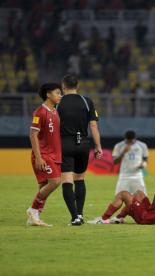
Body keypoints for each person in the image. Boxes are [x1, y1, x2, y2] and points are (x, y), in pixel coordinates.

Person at [57, 74, 103, 226]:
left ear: (63, 87)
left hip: (65, 142)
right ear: (77, 86)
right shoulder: (86, 101)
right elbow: (93, 126)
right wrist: (98, 146)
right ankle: (80, 214)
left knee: (67, 180)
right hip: (83, 143)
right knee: (80, 179)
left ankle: (75, 216)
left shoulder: (58, 102)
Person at [89, 166, 155, 225]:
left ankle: (103, 219)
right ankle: (120, 218)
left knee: (123, 194)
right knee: (138, 193)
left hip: (148, 218)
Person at [27, 83, 62, 226]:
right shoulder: (39, 112)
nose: (60, 95)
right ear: (48, 94)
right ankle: (32, 209)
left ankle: (34, 218)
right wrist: (39, 157)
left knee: (43, 186)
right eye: (58, 93)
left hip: (55, 154)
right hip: (44, 155)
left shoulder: (55, 111)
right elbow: (33, 134)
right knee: (55, 182)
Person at [112, 130, 149, 195]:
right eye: (128, 141)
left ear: (134, 138)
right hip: (124, 175)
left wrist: (143, 165)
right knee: (119, 196)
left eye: (131, 141)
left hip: (137, 175)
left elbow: (145, 159)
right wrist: (123, 152)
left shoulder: (142, 145)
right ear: (125, 138)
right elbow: (115, 162)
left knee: (142, 197)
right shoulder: (119, 146)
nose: (130, 142)